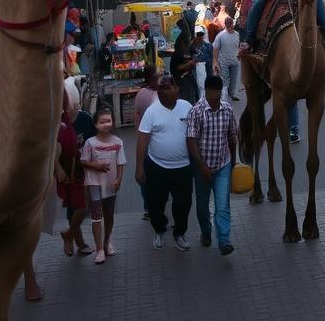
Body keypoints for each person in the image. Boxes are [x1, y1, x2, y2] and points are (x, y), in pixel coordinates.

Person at [135, 75, 195, 251]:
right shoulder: (152, 112)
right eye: (161, 88)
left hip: (183, 168)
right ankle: (159, 229)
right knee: (155, 205)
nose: (163, 91)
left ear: (178, 89)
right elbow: (142, 140)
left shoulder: (188, 108)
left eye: (168, 87)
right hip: (157, 167)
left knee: (183, 205)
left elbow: (196, 135)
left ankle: (179, 233)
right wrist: (139, 167)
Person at [186, 74, 239, 255]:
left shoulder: (227, 110)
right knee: (202, 206)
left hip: (223, 164)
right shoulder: (196, 111)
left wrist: (233, 161)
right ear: (206, 91)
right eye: (212, 92)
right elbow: (191, 140)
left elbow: (232, 136)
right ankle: (206, 231)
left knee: (222, 205)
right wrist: (201, 166)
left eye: (218, 92)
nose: (215, 96)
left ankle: (224, 240)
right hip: (202, 167)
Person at [80, 107, 127, 264]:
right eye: (102, 122)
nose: (106, 124)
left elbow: (121, 163)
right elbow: (83, 161)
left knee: (109, 216)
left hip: (111, 185)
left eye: (108, 121)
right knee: (96, 217)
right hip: (94, 184)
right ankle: (99, 249)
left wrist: (118, 180)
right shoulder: (90, 143)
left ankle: (107, 242)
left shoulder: (118, 142)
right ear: (95, 124)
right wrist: (97, 166)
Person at [54, 96, 91, 256]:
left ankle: (69, 235)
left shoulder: (83, 118)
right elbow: (51, 146)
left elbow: (94, 136)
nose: (69, 107)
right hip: (68, 172)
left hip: (84, 169)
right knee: (74, 208)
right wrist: (57, 167)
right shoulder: (57, 122)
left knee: (83, 207)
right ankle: (78, 242)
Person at [212, 16, 241, 102]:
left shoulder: (237, 34)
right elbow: (215, 49)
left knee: (233, 80)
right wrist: (215, 62)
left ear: (233, 24)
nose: (230, 26)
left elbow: (238, 46)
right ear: (225, 25)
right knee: (225, 80)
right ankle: (224, 98)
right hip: (223, 62)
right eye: (228, 24)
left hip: (235, 61)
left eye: (231, 24)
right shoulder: (220, 36)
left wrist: (239, 53)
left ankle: (230, 95)